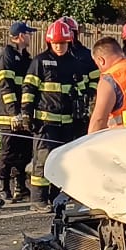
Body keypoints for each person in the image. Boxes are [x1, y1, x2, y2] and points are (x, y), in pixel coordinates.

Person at [23, 18, 92, 207]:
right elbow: (29, 89)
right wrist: (26, 113)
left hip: (68, 123)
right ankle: (38, 199)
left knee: (63, 162)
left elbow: (83, 89)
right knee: (43, 160)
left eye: (63, 43)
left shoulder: (74, 63)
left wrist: (82, 108)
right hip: (45, 123)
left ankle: (55, 198)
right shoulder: (40, 61)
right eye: (56, 43)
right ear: (49, 42)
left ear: (69, 42)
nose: (59, 47)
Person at [0, 22, 35, 203]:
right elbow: (6, 86)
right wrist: (13, 113)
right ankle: (3, 188)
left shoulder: (25, 58)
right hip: (7, 115)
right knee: (8, 153)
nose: (31, 37)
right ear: (20, 36)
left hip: (22, 115)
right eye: (28, 34)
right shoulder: (6, 56)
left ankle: (20, 187)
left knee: (24, 152)